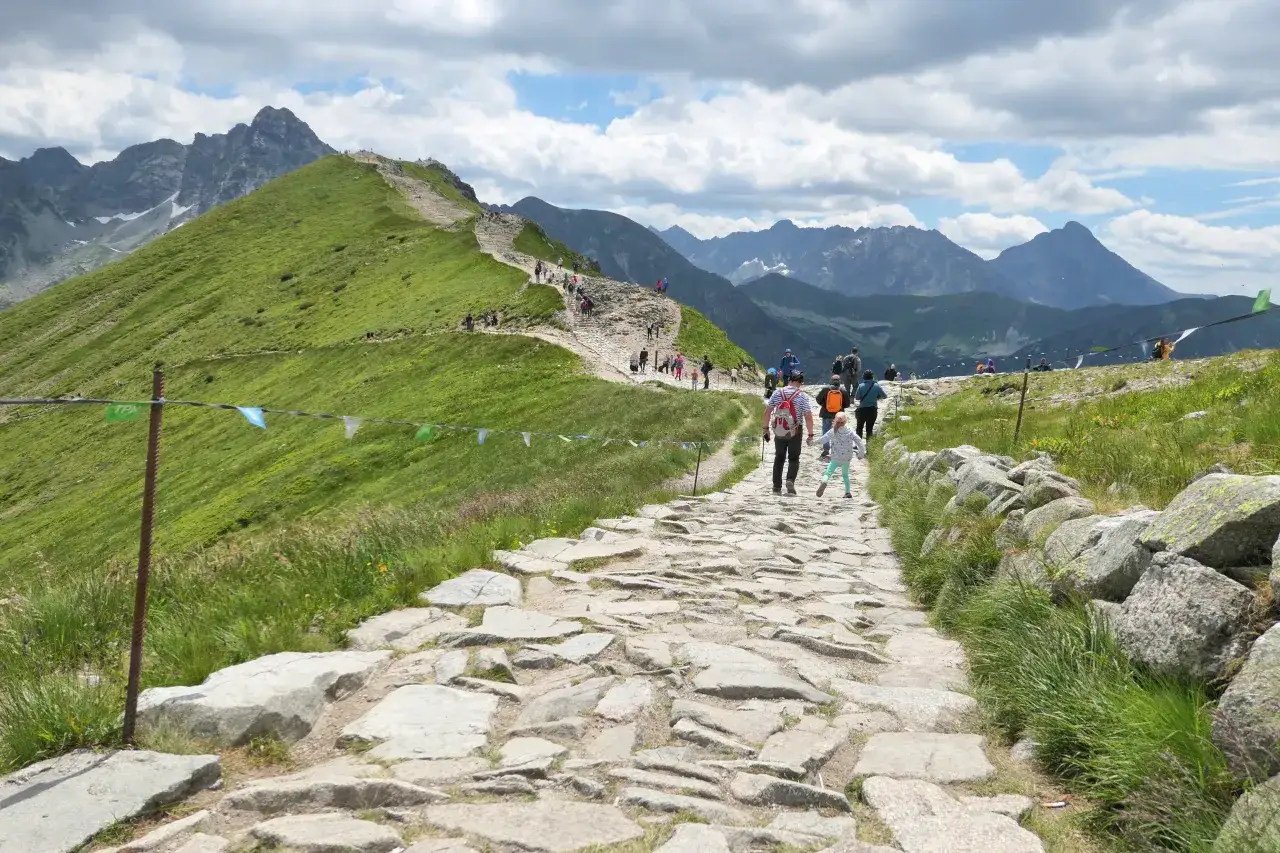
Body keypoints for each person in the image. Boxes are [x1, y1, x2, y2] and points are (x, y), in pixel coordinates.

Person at [764, 371, 816, 495]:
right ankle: (790, 480)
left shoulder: (778, 392)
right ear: (800, 383)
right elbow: (808, 416)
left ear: (789, 380)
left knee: (779, 457)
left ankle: (776, 486)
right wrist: (810, 434)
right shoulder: (802, 396)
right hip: (795, 431)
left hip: (779, 429)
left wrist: (765, 428)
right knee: (793, 458)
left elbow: (768, 411)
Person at [817, 410, 866, 499]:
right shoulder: (850, 431)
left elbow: (823, 439)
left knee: (828, 473)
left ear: (835, 421)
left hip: (835, 457)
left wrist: (812, 443)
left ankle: (824, 481)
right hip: (846, 458)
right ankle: (847, 492)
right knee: (845, 475)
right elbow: (859, 441)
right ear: (846, 421)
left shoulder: (832, 431)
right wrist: (861, 453)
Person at [814, 375, 847, 459]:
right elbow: (847, 404)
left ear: (831, 380)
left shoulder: (826, 389)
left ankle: (826, 449)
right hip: (839, 415)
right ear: (839, 381)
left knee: (825, 431)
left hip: (826, 414)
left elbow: (818, 399)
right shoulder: (843, 390)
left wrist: (825, 405)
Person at [853, 369, 887, 440]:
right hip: (872, 410)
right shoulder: (877, 386)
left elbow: (857, 397)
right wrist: (877, 396)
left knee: (859, 428)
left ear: (864, 377)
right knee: (869, 429)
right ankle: (869, 447)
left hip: (862, 410)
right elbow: (885, 396)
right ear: (872, 377)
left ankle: (858, 445)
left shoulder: (860, 386)